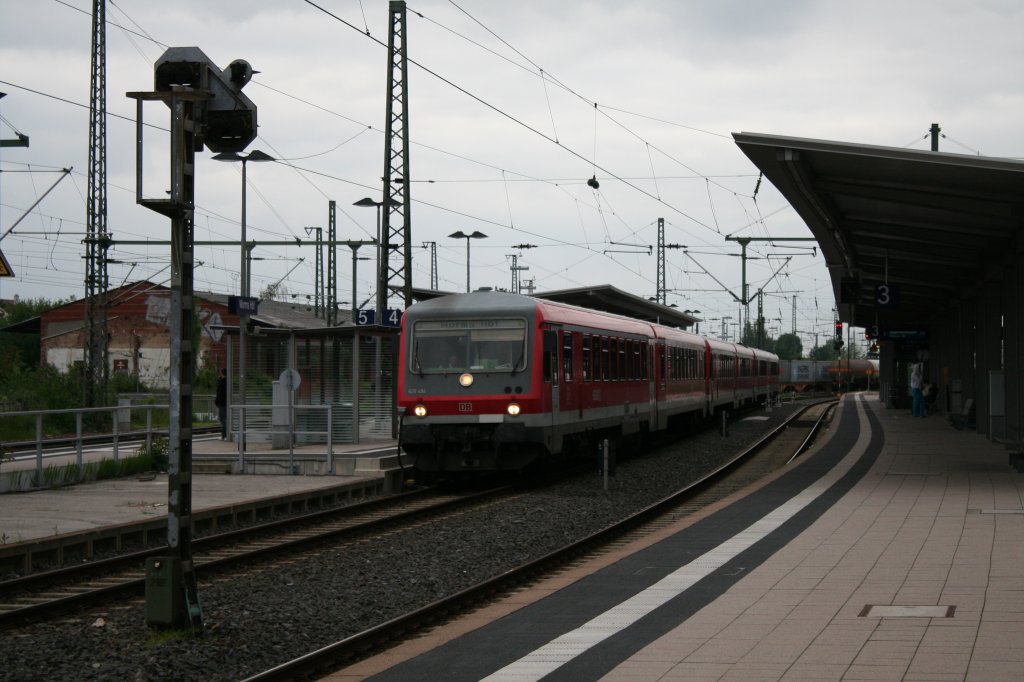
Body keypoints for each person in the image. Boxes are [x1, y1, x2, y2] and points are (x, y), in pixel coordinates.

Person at [215, 368, 228, 439]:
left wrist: (216, 402)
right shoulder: (229, 381)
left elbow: (219, 393)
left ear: (222, 373)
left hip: (222, 403)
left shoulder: (221, 382)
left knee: (223, 419)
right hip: (228, 403)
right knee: (227, 418)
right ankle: (227, 434)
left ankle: (224, 435)